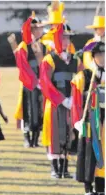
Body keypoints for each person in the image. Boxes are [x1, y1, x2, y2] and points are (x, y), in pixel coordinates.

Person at [40, 23, 83, 179]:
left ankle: (65, 168)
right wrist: (60, 99)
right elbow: (45, 82)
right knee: (55, 133)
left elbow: (80, 79)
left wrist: (74, 97)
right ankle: (55, 168)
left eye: (68, 38)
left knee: (68, 133)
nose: (66, 41)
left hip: (71, 101)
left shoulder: (75, 60)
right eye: (63, 37)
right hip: (55, 103)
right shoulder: (49, 59)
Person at [71, 41, 105, 195]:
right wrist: (78, 120)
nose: (103, 58)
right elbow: (77, 100)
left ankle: (101, 186)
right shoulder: (84, 76)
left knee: (102, 154)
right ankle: (87, 186)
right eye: (100, 55)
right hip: (90, 120)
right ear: (93, 57)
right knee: (89, 152)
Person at [13, 12, 46, 148]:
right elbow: (23, 67)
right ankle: (27, 136)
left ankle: (36, 137)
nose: (40, 31)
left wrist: (43, 81)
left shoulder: (43, 46)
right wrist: (34, 81)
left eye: (40, 29)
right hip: (29, 84)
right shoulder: (23, 46)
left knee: (39, 110)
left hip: (42, 84)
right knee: (27, 109)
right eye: (37, 29)